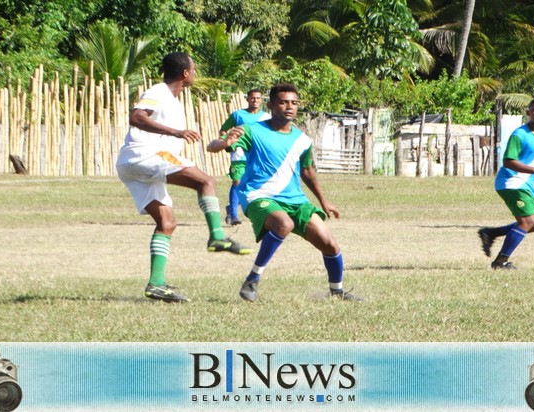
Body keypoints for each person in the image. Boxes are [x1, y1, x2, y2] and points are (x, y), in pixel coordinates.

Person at [115, 52, 252, 304]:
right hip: (145, 155)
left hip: (134, 164)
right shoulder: (159, 91)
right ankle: (217, 236)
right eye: (194, 68)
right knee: (206, 181)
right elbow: (136, 117)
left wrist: (225, 141)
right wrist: (176, 132)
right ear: (185, 73)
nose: (195, 73)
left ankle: (156, 285)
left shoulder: (173, 101)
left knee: (167, 223)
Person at [208, 83, 363, 302]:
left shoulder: (302, 140)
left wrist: (323, 201)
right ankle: (252, 280)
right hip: (259, 196)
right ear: (271, 105)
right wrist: (224, 142)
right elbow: (212, 147)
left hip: (295, 200)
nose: (289, 107)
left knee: (330, 244)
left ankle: (336, 291)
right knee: (284, 224)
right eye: (283, 102)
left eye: (294, 103)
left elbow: (308, 172)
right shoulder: (252, 130)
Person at [478, 97, 534, 270]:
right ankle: (500, 262)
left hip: (527, 184)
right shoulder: (519, 135)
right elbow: (508, 162)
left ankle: (491, 233)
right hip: (511, 182)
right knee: (527, 221)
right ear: (528, 113)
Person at [209, 89, 270, 226]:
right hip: (239, 152)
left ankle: (232, 208)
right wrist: (227, 142)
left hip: (255, 154)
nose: (255, 100)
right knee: (237, 181)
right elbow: (224, 129)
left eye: (258, 98)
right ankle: (234, 215)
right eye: (253, 98)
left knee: (253, 183)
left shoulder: (266, 117)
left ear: (262, 100)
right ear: (247, 99)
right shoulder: (238, 115)